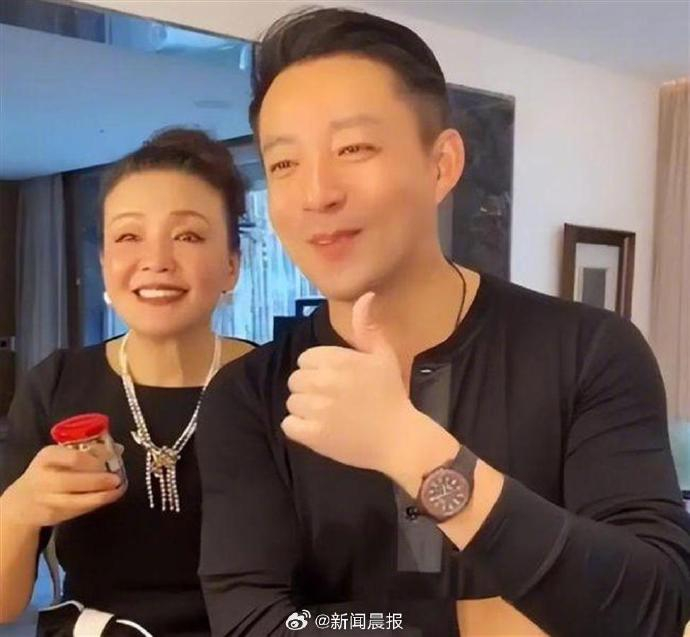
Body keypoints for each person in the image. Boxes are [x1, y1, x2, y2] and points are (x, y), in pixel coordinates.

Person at [195, 8, 690, 637]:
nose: (317, 194)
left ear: (442, 164)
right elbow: (254, 625)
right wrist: (468, 623)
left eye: (353, 148)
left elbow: (654, 606)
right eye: (284, 164)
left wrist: (410, 448)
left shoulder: (588, 350)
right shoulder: (249, 397)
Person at [0, 128, 254, 635]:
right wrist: (19, 509)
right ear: (104, 263)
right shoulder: (57, 383)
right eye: (128, 236)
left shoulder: (279, 386)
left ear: (231, 265)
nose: (156, 261)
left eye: (188, 236)